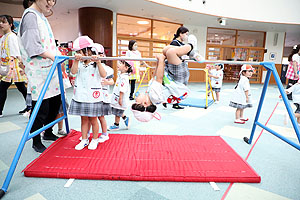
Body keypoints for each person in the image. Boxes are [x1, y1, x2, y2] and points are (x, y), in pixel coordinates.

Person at [18, 0, 61, 153]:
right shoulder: (30, 16)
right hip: (39, 70)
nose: (51, 3)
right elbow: (33, 47)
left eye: (54, 0)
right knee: (41, 109)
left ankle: (48, 133)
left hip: (49, 68)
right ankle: (35, 140)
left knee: (55, 103)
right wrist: (55, 57)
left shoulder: (41, 16)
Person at [132, 45, 195, 122]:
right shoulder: (154, 97)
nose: (136, 99)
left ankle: (189, 53)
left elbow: (154, 77)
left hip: (171, 76)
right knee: (171, 52)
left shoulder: (150, 95)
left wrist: (158, 62)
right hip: (177, 79)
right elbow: (159, 78)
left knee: (166, 50)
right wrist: (161, 60)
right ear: (145, 104)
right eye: (136, 101)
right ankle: (191, 47)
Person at [69, 36, 107, 150]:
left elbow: (103, 75)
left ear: (88, 51)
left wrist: (99, 62)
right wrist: (76, 60)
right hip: (80, 95)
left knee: (93, 119)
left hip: (93, 96)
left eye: (79, 52)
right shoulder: (79, 63)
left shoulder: (96, 63)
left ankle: (94, 139)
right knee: (84, 119)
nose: (78, 54)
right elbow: (73, 73)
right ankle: (84, 139)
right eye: (77, 52)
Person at [163, 26, 202, 109]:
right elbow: (177, 53)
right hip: (176, 66)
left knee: (178, 85)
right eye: (186, 34)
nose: (187, 36)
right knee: (176, 85)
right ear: (180, 34)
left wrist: (194, 55)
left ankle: (172, 101)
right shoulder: (174, 43)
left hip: (181, 64)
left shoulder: (182, 44)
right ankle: (173, 102)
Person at [0, 15, 30, 117]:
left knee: (3, 88)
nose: (1, 24)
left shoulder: (12, 36)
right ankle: (30, 106)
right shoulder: (3, 37)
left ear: (10, 24)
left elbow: (16, 53)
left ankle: (0, 111)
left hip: (13, 65)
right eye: (0, 22)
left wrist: (22, 65)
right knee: (21, 87)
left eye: (4, 22)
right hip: (8, 65)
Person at [93, 43, 114, 142]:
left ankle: (105, 133)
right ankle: (88, 133)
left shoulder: (107, 69)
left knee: (101, 116)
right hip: (92, 94)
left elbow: (112, 81)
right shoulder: (90, 67)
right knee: (90, 116)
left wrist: (107, 82)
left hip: (102, 95)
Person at [108, 60, 132, 131]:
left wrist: (120, 98)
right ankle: (125, 118)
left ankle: (116, 125)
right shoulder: (121, 74)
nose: (118, 64)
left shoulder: (124, 78)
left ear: (126, 68)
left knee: (117, 111)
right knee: (117, 110)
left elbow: (122, 89)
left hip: (120, 97)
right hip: (117, 96)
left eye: (121, 63)